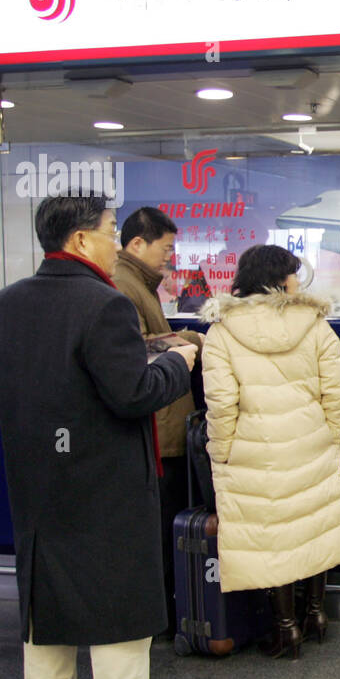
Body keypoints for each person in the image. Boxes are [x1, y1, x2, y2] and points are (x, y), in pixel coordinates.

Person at [0, 196, 198, 679]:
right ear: (80, 241)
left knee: (46, 613)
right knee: (119, 613)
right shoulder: (103, 304)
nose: (113, 241)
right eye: (107, 231)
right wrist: (178, 362)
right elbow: (132, 395)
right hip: (105, 485)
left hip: (36, 483)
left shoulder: (4, 305)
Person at [200, 245, 340, 660]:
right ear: (278, 281)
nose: (298, 283)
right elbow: (336, 389)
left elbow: (221, 402)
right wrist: (333, 434)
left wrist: (223, 451)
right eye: (293, 275)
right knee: (312, 525)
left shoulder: (222, 331)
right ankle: (315, 615)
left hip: (254, 448)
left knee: (273, 536)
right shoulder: (317, 325)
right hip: (310, 441)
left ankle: (286, 630)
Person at [112, 207, 202, 636]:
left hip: (165, 425)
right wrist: (188, 340)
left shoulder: (138, 284)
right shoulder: (121, 285)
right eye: (165, 248)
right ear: (137, 245)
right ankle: (161, 618)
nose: (170, 256)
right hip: (156, 429)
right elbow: (135, 351)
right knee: (160, 527)